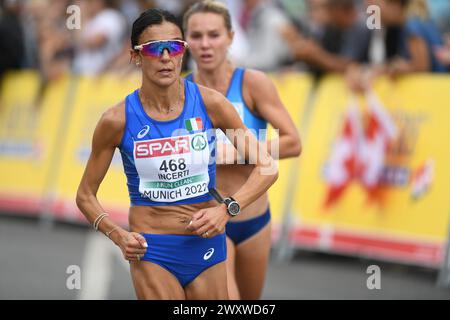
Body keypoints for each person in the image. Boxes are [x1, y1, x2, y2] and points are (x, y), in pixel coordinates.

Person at [76, 8, 278, 300]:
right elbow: (85, 195)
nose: (166, 57)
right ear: (135, 56)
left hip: (205, 245)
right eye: (155, 49)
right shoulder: (116, 121)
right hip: (152, 248)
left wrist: (227, 209)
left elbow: (267, 166)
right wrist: (117, 235)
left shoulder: (212, 105)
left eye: (174, 47)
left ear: (184, 52)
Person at [183, 1, 301, 300]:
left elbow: (292, 141)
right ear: (185, 41)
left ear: (231, 37)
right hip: (207, 220)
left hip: (253, 219)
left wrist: (235, 152)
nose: (205, 44)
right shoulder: (179, 91)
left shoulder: (252, 83)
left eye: (214, 35)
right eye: (196, 36)